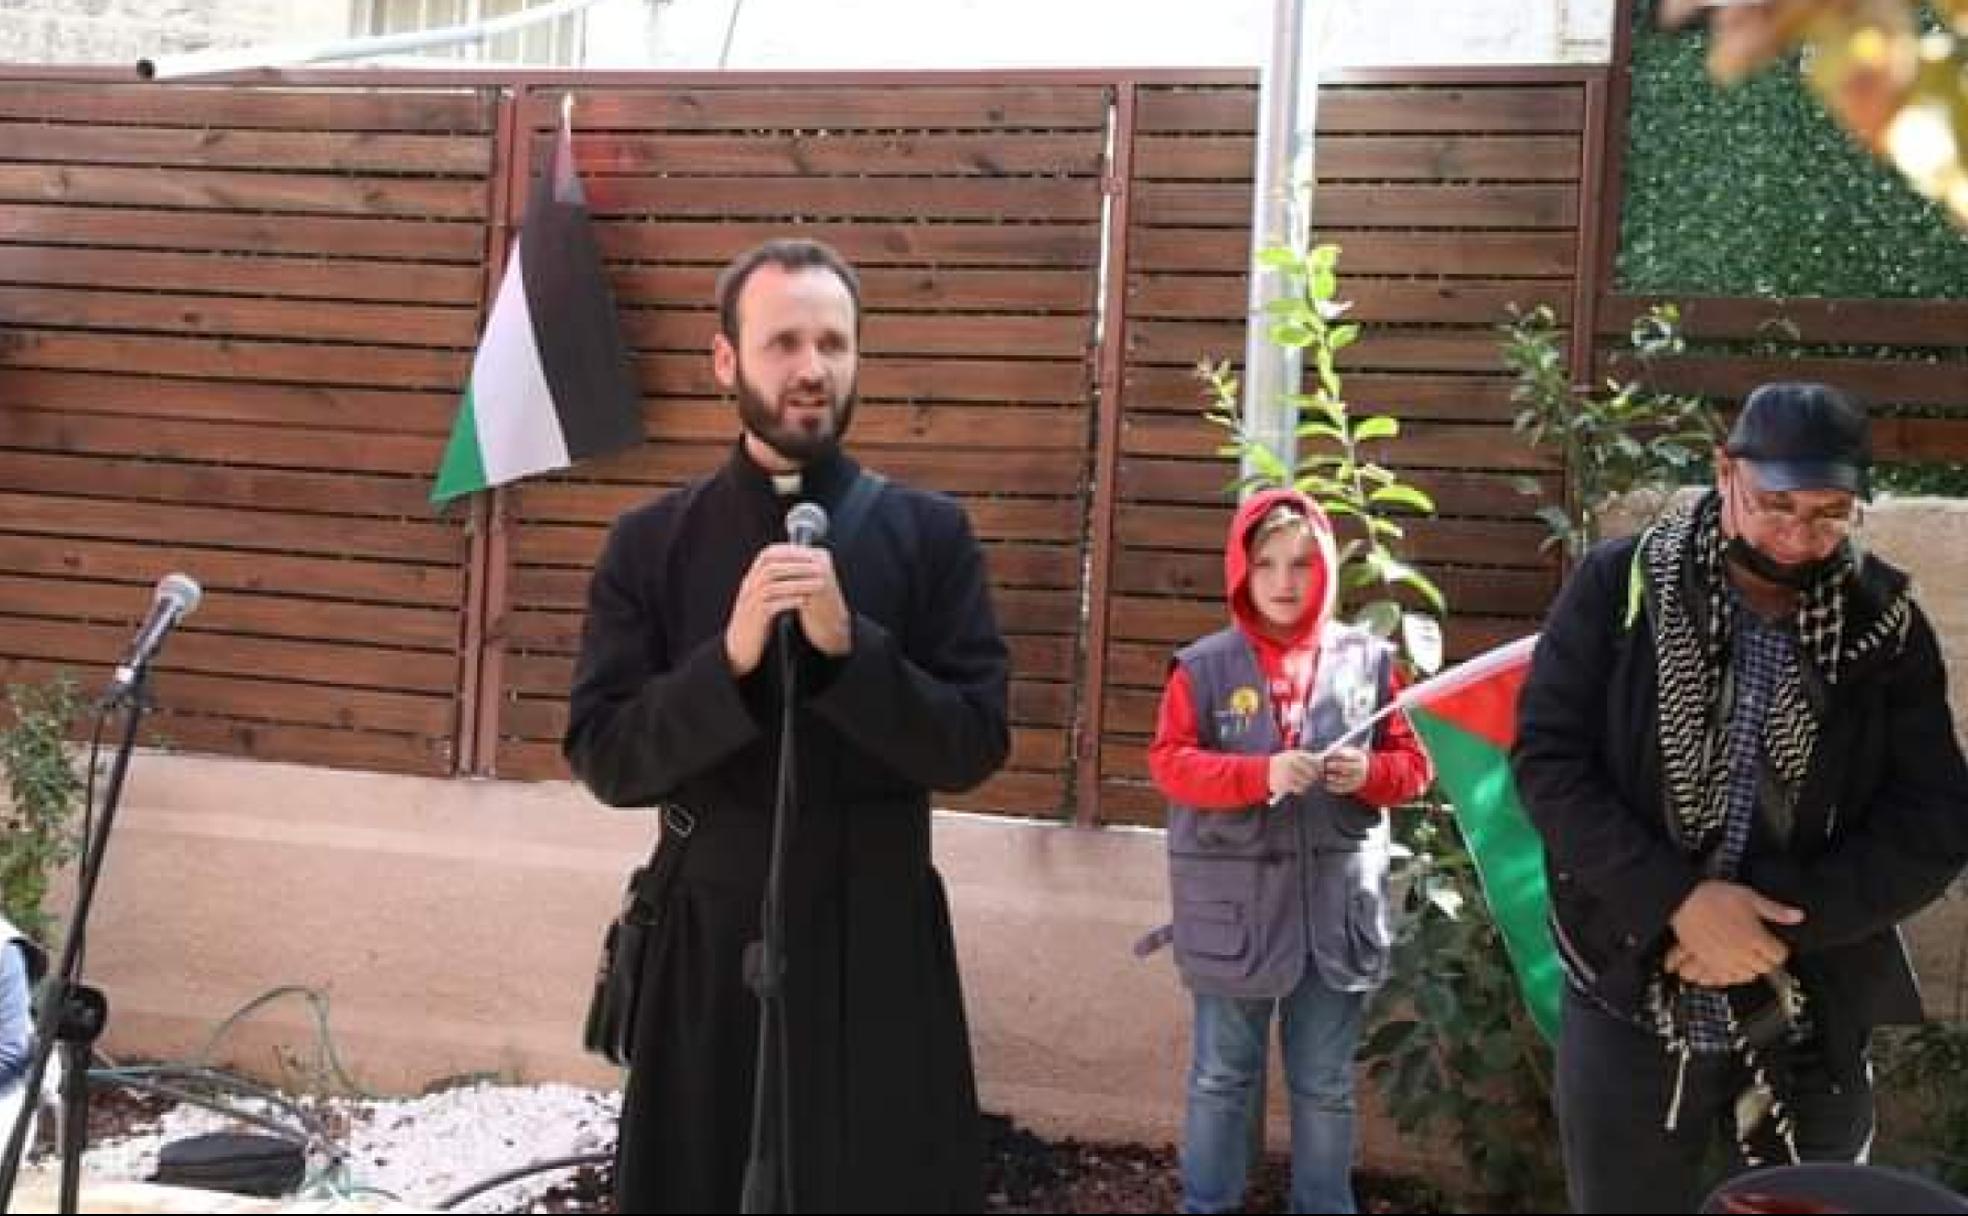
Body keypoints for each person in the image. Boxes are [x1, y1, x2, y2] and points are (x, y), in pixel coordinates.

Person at [563, 238, 1011, 1212]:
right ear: (725, 359)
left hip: (880, 940)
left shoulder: (930, 536)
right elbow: (605, 755)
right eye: (783, 343)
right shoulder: (651, 544)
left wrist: (853, 655)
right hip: (710, 940)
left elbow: (975, 743)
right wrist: (724, 664)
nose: (812, 367)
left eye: (834, 343)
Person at [1513, 381, 1968, 1214]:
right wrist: (1678, 902)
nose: (1798, 538)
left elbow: (1934, 822)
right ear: (1725, 472)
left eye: (1829, 513)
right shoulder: (1619, 588)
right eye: (1775, 506)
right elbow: (1549, 765)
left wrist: (1770, 927)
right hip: (1630, 993)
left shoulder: (1887, 627)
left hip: (1809, 1006)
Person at [1146, 489, 1432, 1215]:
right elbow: (1169, 764)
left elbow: (1416, 767)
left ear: (1328, 569)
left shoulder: (1369, 662)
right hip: (1233, 921)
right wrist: (1258, 774)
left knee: (1326, 1085)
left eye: (1302, 563)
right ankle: (1207, 1205)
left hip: (1335, 917)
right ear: (1240, 569)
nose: (1283, 580)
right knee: (1220, 1076)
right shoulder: (1202, 667)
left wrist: (1370, 773)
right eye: (1265, 562)